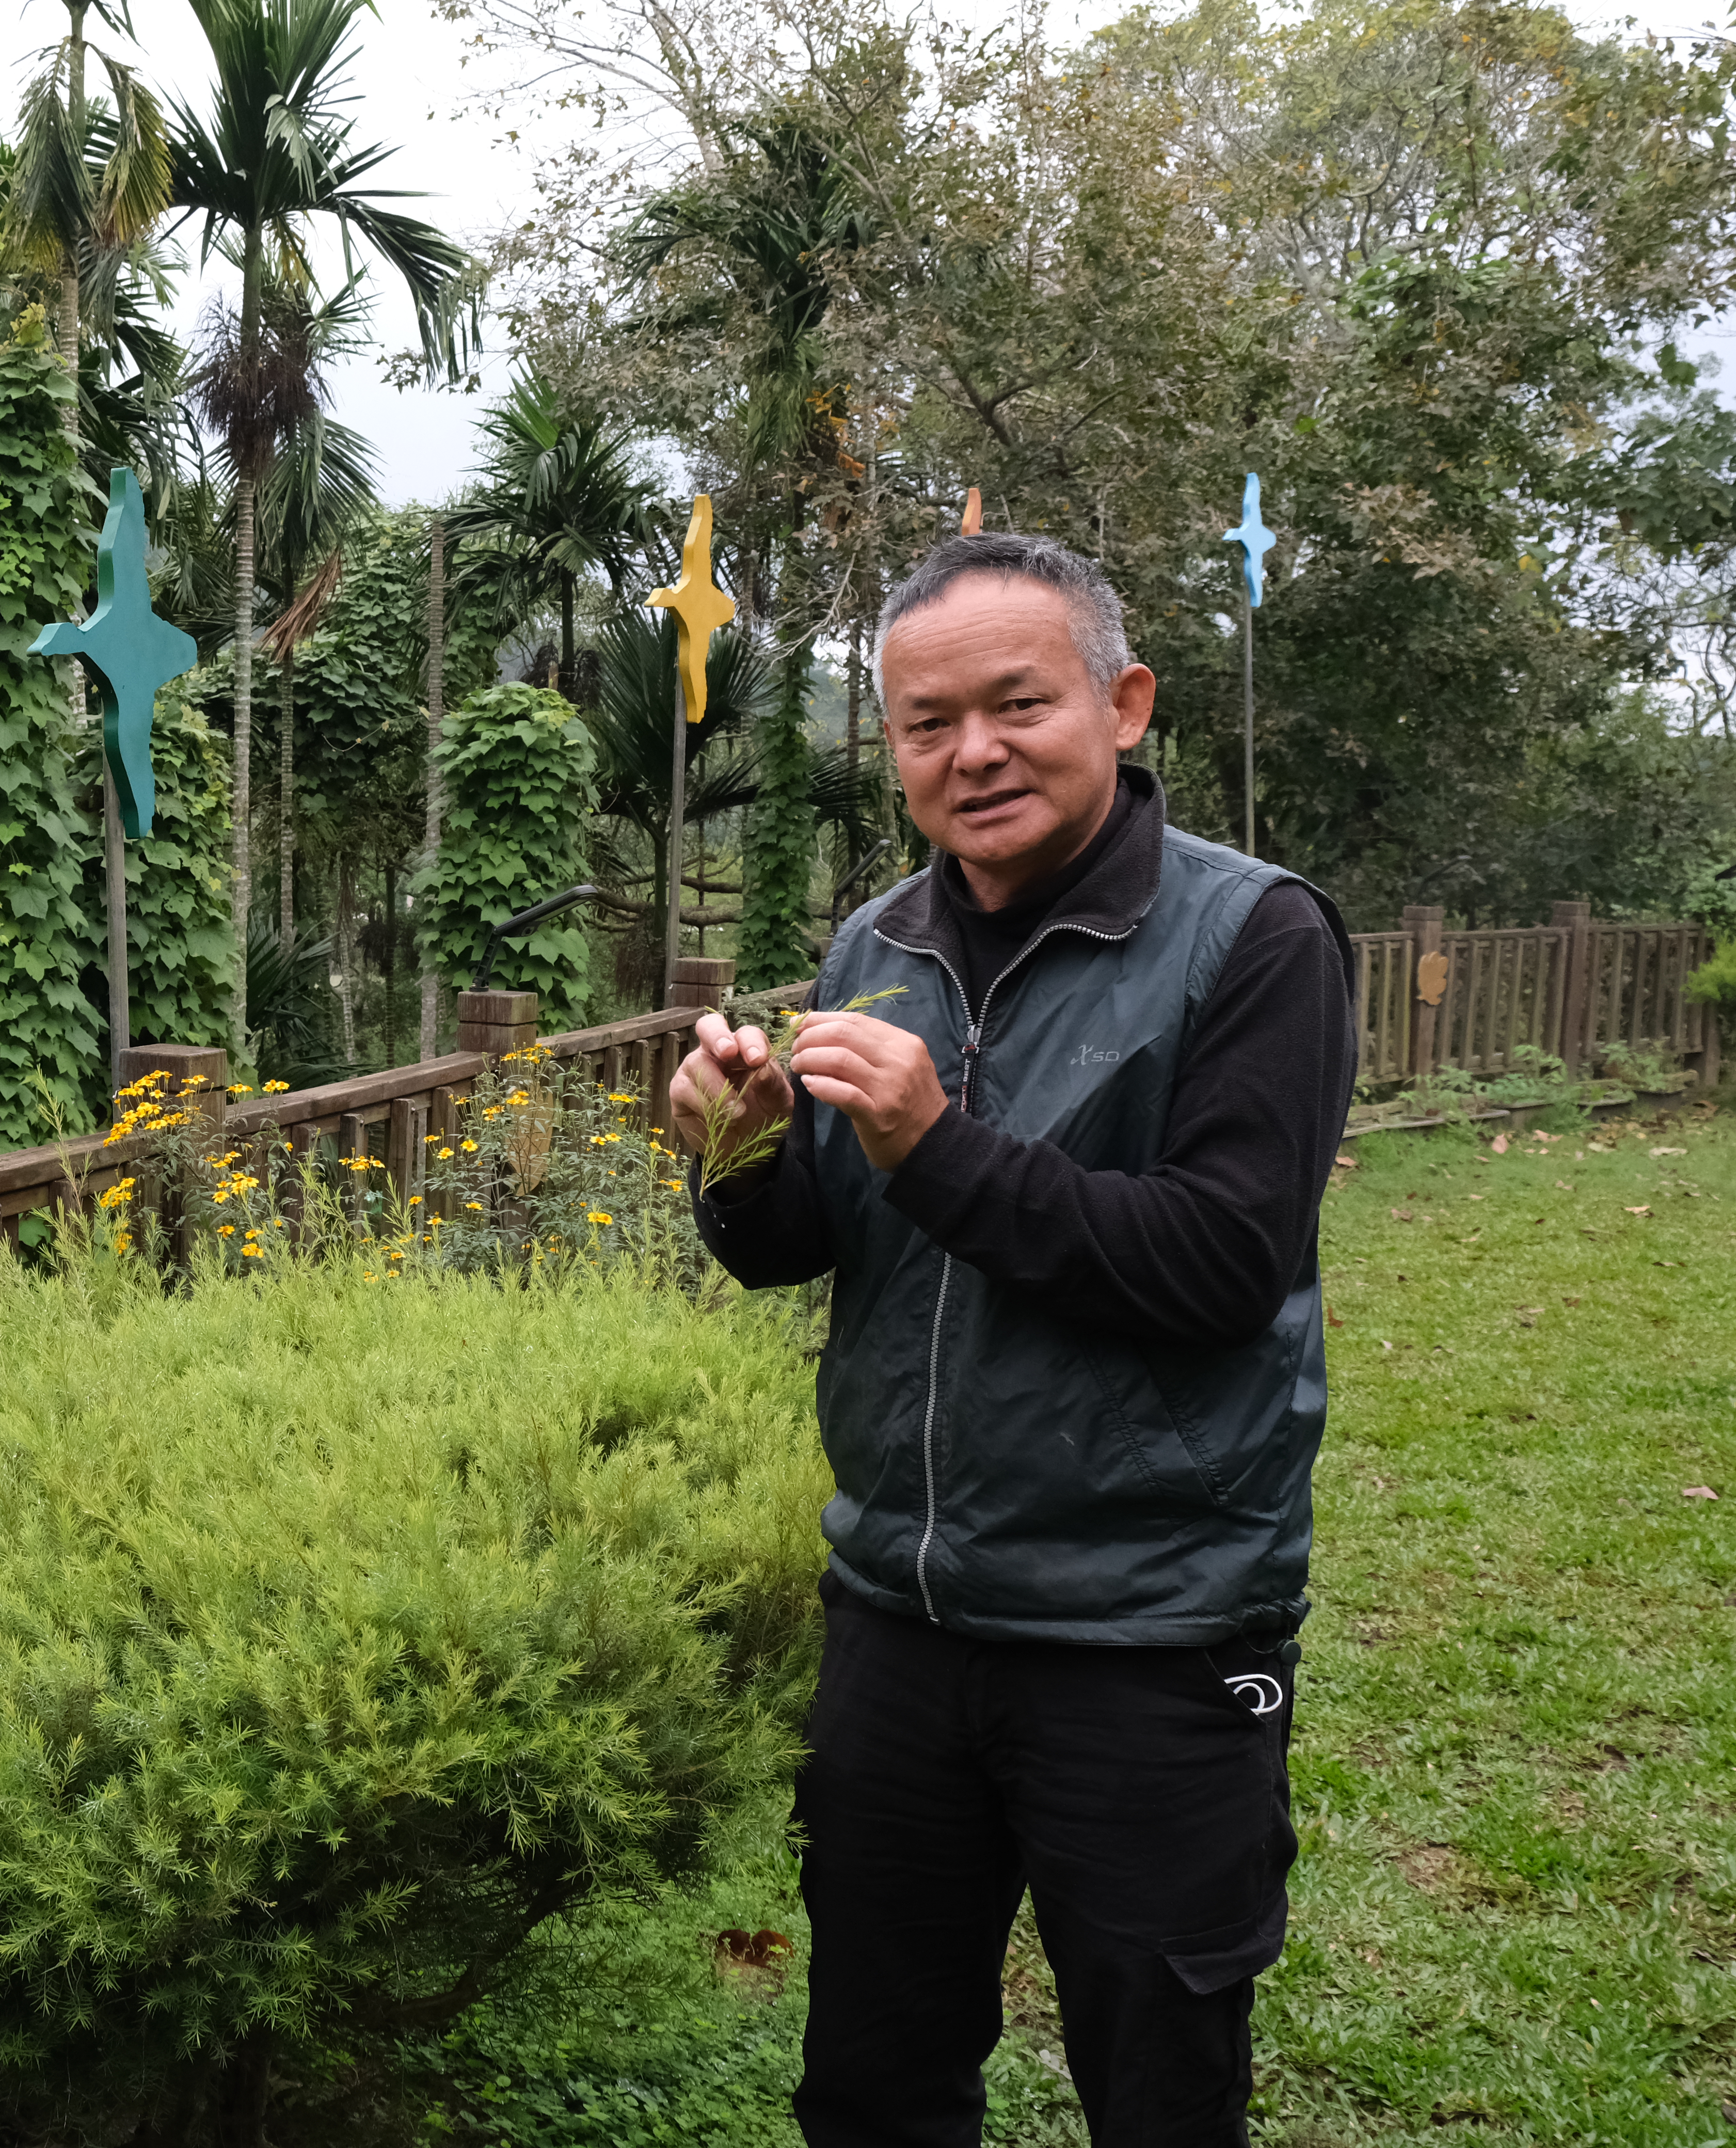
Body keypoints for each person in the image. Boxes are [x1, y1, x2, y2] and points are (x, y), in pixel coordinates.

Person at [670, 532, 1356, 2148]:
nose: (972, 752)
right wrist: (743, 1148)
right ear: (892, 749)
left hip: (1152, 1630)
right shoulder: (877, 948)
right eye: (926, 723)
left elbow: (1220, 1263)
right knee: (875, 2080)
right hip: (901, 1620)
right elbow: (801, 1258)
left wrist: (940, 1148)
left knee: (1159, 2081)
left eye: (1018, 703)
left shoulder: (1253, 940)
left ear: (1122, 705)